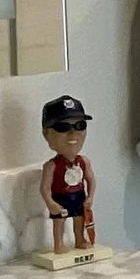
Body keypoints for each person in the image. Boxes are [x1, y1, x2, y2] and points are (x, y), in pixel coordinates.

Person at [39, 95, 97, 254]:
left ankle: (80, 240)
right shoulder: (51, 166)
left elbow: (91, 180)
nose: (73, 133)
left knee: (79, 220)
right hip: (60, 197)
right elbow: (44, 189)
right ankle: (59, 244)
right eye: (63, 127)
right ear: (46, 134)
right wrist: (51, 203)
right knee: (59, 222)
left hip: (79, 195)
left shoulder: (84, 161)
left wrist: (90, 197)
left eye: (80, 125)